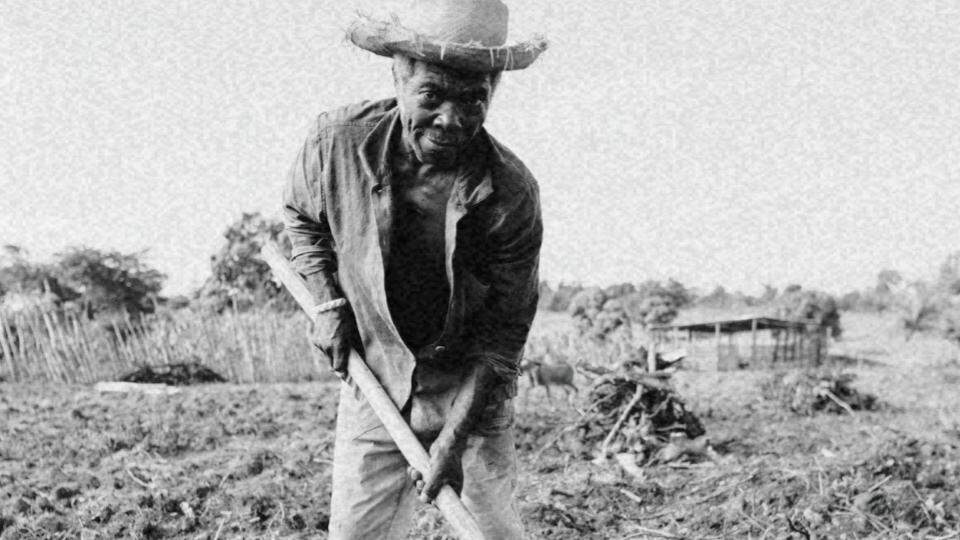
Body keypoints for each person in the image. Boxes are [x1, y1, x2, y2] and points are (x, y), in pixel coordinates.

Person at [281, 0, 547, 537]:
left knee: (493, 530)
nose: (452, 119)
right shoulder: (336, 143)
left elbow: (502, 341)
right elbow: (302, 218)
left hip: (469, 391)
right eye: (432, 95)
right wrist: (329, 302)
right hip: (375, 377)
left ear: (493, 91)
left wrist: (452, 438)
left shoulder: (511, 195)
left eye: (474, 98)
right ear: (399, 76)